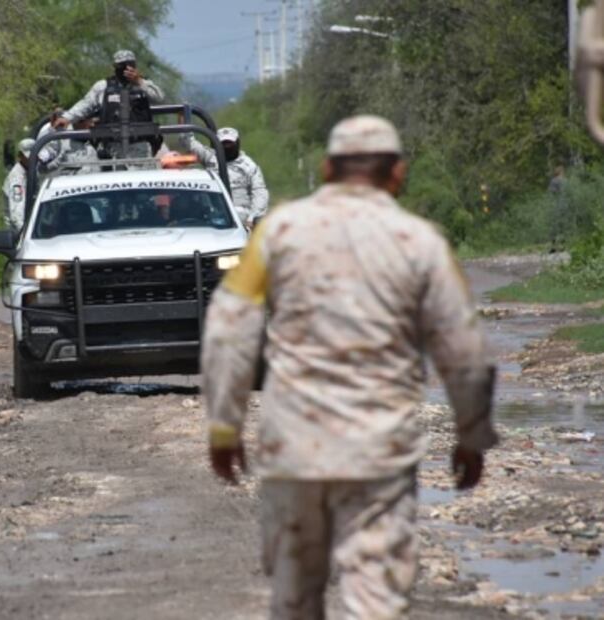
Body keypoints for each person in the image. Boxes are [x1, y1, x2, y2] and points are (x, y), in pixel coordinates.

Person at [201, 115, 498, 619]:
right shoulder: (421, 241)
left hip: (293, 445)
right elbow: (463, 348)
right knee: (376, 597)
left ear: (325, 168)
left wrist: (225, 427)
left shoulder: (278, 232)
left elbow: (230, 329)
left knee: (295, 596)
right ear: (398, 173)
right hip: (378, 450)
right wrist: (472, 434)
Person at [54, 50, 165, 160]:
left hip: (141, 146)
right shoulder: (103, 86)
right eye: (122, 66)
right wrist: (67, 118)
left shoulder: (144, 85)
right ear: (115, 67)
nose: (126, 69)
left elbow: (160, 98)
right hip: (112, 147)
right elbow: (86, 104)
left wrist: (139, 81)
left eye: (130, 65)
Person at [178, 126, 268, 228]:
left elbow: (259, 192)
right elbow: (188, 142)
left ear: (237, 144)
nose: (227, 147)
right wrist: (183, 120)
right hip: (212, 214)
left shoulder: (249, 166)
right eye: (224, 144)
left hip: (241, 216)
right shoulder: (210, 158)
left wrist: (252, 217)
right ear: (217, 144)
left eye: (230, 143)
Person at [2, 138, 34, 235]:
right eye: (28, 157)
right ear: (20, 155)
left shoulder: (31, 171)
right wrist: (28, 234)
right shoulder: (16, 179)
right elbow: (16, 216)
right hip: (18, 233)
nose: (32, 159)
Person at [548, 165, 570, 253]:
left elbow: (552, 193)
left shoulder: (554, 181)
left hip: (557, 205)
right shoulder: (566, 181)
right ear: (562, 172)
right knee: (563, 226)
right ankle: (563, 246)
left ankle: (553, 246)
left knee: (554, 226)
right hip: (566, 205)